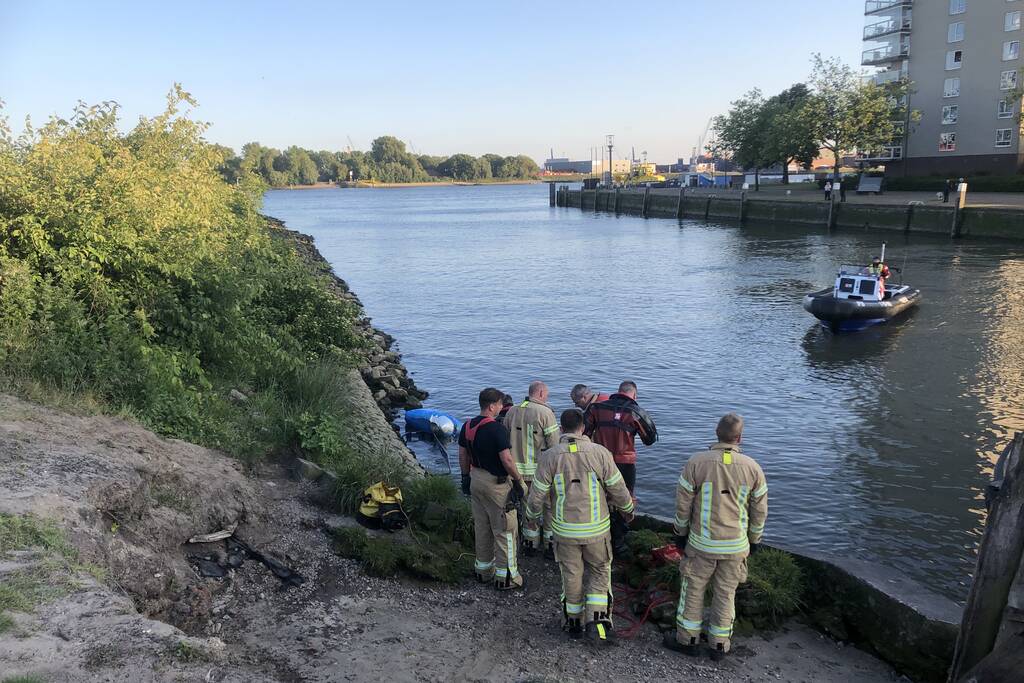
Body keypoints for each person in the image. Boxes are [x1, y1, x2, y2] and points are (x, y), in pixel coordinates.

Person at [524, 408, 634, 643]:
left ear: (562, 429)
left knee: (571, 575)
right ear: (583, 427)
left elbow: (537, 496)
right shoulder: (600, 453)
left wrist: (532, 517)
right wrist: (628, 511)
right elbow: (618, 488)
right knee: (599, 572)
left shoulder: (550, 456)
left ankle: (572, 623)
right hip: (597, 530)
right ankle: (598, 623)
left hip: (564, 531)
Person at [665, 413, 767, 661]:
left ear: (716, 433)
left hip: (701, 544)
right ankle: (719, 645)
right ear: (739, 437)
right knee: (726, 594)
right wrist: (754, 540)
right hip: (735, 546)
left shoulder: (697, 462)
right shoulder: (753, 467)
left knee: (693, 590)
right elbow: (759, 510)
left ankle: (687, 640)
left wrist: (680, 533)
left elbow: (683, 505)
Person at [459, 387, 527, 590]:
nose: (501, 407)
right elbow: (506, 459)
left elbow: (463, 455)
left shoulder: (468, 426)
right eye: (499, 404)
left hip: (476, 479)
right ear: (491, 406)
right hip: (496, 485)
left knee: (482, 527)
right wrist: (518, 480)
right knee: (505, 529)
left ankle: (483, 571)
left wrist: (465, 478)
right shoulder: (496, 429)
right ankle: (507, 577)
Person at [585, 381, 657, 554]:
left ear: (618, 392)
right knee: (624, 499)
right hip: (624, 463)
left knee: (599, 497)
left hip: (599, 461)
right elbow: (650, 439)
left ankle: (598, 536)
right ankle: (618, 542)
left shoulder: (596, 408)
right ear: (634, 394)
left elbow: (584, 433)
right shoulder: (634, 412)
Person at [502, 381, 559, 555]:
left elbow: (504, 438)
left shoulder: (512, 410)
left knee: (528, 507)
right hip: (539, 471)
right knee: (549, 507)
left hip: (517, 471)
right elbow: (554, 445)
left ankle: (530, 542)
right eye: (547, 394)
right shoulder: (545, 412)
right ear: (541, 393)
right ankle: (550, 544)